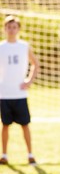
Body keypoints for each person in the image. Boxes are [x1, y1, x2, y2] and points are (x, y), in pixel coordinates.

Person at [0, 15, 40, 165]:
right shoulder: (1, 47)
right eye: (8, 27)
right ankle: (4, 155)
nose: (11, 30)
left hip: (20, 94)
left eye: (14, 27)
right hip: (4, 94)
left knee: (25, 125)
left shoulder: (24, 46)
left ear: (18, 29)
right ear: (4, 29)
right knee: (5, 125)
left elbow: (35, 64)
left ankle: (30, 154)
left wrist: (29, 81)